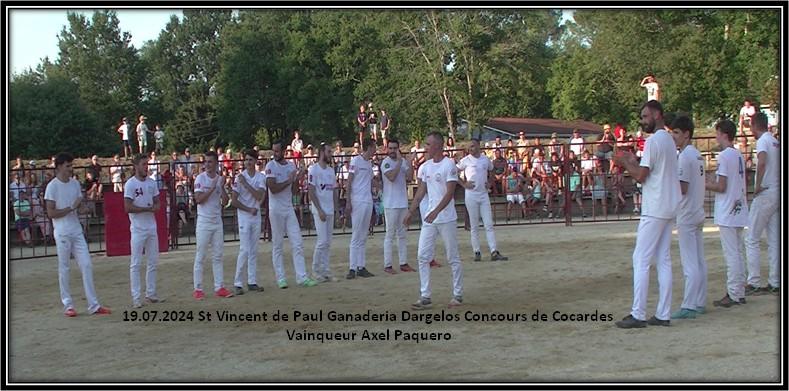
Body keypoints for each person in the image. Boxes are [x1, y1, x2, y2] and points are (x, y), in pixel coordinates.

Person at [613, 100, 680, 328]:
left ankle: (638, 313)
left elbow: (642, 176)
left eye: (645, 116)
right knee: (663, 259)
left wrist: (624, 162)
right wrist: (632, 162)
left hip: (656, 205)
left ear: (658, 115)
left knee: (640, 258)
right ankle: (663, 313)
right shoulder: (670, 140)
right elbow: (650, 170)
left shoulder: (654, 141)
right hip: (669, 203)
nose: (643, 121)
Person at [45, 152, 111, 317]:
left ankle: (93, 304)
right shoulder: (52, 186)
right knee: (64, 267)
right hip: (62, 231)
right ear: (59, 167)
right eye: (68, 166)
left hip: (75, 230)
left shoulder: (74, 184)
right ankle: (68, 305)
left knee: (87, 265)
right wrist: (72, 208)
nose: (70, 169)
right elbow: (51, 213)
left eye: (71, 165)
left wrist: (85, 209)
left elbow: (79, 206)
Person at [404, 132, 464, 310]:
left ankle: (458, 293)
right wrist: (411, 211)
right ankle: (425, 295)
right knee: (422, 255)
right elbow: (421, 191)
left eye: (428, 144)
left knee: (452, 256)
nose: (425, 148)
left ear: (438, 146)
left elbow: (449, 192)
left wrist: (437, 211)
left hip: (446, 218)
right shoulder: (425, 167)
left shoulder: (449, 165)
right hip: (430, 217)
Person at [705, 120, 749, 307]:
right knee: (738, 252)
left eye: (717, 133)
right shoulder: (738, 154)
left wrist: (705, 183)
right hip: (738, 206)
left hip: (728, 209)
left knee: (732, 253)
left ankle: (733, 293)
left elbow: (721, 186)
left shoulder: (724, 156)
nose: (716, 137)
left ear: (722, 133)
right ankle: (738, 290)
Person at [667, 115, 707, 320]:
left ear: (686, 134)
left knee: (690, 261)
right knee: (699, 260)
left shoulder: (684, 157)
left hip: (687, 212)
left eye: (676, 133)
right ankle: (699, 301)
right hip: (697, 210)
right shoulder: (697, 155)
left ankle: (690, 304)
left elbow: (682, 187)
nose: (673, 136)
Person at [266, 140, 318, 288]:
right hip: (275, 208)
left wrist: (297, 178)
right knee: (278, 244)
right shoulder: (270, 166)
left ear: (283, 151)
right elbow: (273, 188)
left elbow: (295, 190)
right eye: (273, 151)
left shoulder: (290, 166)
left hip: (288, 207)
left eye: (277, 151)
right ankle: (280, 278)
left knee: (298, 242)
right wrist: (289, 180)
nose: (275, 154)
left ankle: (301, 277)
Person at [744, 112, 780, 296]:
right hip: (777, 190)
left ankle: (754, 281)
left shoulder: (763, 142)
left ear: (755, 125)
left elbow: (762, 162)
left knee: (752, 238)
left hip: (765, 191)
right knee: (774, 239)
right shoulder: (776, 142)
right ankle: (775, 280)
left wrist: (757, 185)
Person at [192, 151, 235, 300]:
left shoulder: (219, 180)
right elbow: (198, 199)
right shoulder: (200, 178)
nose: (207, 165)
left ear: (216, 163)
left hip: (216, 221)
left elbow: (224, 202)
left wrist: (221, 187)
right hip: (204, 221)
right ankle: (198, 288)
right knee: (201, 255)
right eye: (206, 162)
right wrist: (212, 187)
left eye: (210, 162)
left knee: (218, 255)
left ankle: (219, 286)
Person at [124, 153, 164, 308]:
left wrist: (155, 207)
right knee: (136, 263)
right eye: (143, 164)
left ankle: (151, 293)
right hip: (138, 228)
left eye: (147, 164)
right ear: (136, 166)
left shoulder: (152, 183)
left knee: (153, 261)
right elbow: (127, 207)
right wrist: (146, 209)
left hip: (151, 226)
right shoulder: (130, 184)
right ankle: (136, 297)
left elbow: (157, 202)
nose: (146, 167)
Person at [457, 138, 507, 262]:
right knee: (474, 226)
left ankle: (493, 251)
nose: (471, 149)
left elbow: (492, 170)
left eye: (473, 146)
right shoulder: (466, 160)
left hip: (483, 194)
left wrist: (490, 182)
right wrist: (464, 184)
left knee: (488, 224)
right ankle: (477, 251)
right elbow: (453, 171)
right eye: (469, 147)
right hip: (471, 195)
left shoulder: (485, 159)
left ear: (478, 146)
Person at [230, 149, 267, 295]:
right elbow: (234, 201)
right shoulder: (239, 178)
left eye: (250, 160)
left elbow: (259, 196)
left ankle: (252, 281)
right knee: (244, 249)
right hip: (245, 215)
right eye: (246, 160)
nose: (247, 163)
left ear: (255, 161)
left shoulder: (260, 177)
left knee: (253, 249)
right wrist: (248, 209)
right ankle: (237, 282)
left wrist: (246, 184)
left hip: (255, 215)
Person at [380, 139, 417, 274]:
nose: (392, 151)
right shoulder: (386, 162)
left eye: (394, 148)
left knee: (402, 234)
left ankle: (403, 262)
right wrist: (401, 162)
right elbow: (391, 177)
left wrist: (410, 162)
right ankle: (388, 264)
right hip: (390, 204)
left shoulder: (401, 162)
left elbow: (409, 177)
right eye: (390, 148)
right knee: (390, 234)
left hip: (402, 202)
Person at [308, 143, 340, 282]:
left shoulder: (330, 171)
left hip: (329, 209)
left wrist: (336, 210)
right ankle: (316, 270)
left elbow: (334, 190)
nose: (330, 154)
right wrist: (319, 209)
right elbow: (311, 190)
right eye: (328, 151)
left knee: (328, 242)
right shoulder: (313, 169)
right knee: (322, 241)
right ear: (321, 152)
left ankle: (325, 270)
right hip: (319, 209)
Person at [345, 139, 377, 279]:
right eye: (374, 148)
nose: (375, 150)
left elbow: (370, 181)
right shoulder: (355, 161)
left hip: (367, 200)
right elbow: (349, 181)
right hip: (357, 200)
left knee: (363, 235)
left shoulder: (369, 164)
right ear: (369, 148)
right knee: (356, 234)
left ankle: (361, 266)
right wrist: (348, 201)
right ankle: (352, 267)